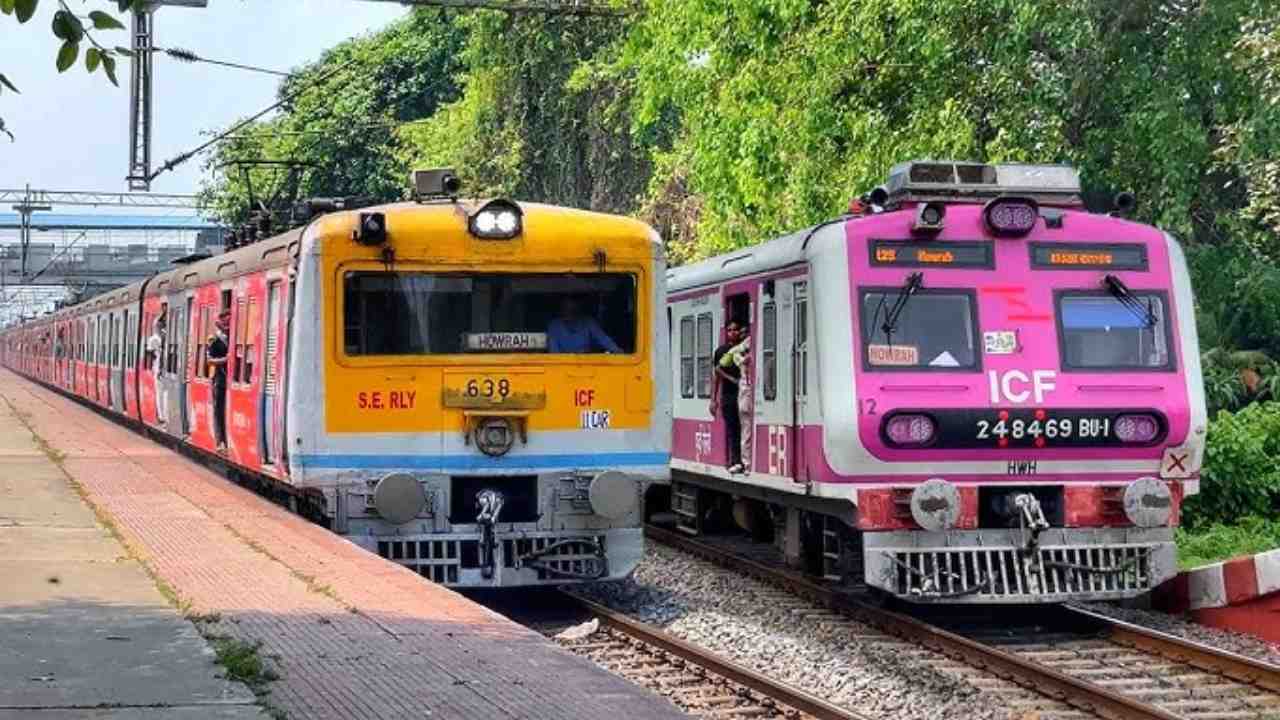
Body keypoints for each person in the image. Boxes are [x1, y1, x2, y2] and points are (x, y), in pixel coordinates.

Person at [710, 321, 744, 472]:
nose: (732, 333)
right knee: (733, 428)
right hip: (729, 395)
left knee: (743, 428)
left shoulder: (744, 349)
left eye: (735, 330)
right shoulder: (722, 351)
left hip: (744, 393)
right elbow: (716, 374)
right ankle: (735, 460)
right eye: (729, 330)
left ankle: (742, 460)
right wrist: (713, 399)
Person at [719, 327, 753, 474]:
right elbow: (720, 366)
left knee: (746, 429)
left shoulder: (736, 350)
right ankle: (746, 463)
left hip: (745, 391)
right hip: (747, 391)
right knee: (746, 428)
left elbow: (722, 364)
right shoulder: (748, 346)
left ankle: (746, 463)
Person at [546, 296, 621, 353]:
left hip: (586, 362)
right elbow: (554, 352)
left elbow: (604, 339)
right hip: (563, 364)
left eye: (573, 309)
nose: (569, 312)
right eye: (565, 308)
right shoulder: (554, 326)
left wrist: (617, 352)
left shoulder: (589, 322)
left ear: (578, 308)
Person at [207, 312, 230, 453]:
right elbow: (209, 360)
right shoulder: (214, 339)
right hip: (219, 378)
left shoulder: (233, 337)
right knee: (218, 410)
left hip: (230, 378)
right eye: (225, 322)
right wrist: (225, 360)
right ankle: (220, 441)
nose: (227, 325)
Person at [147, 310, 168, 424]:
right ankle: (163, 415)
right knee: (163, 392)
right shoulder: (165, 336)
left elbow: (151, 356)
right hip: (163, 367)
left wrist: (155, 368)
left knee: (160, 392)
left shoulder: (153, 339)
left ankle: (162, 416)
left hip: (159, 367)